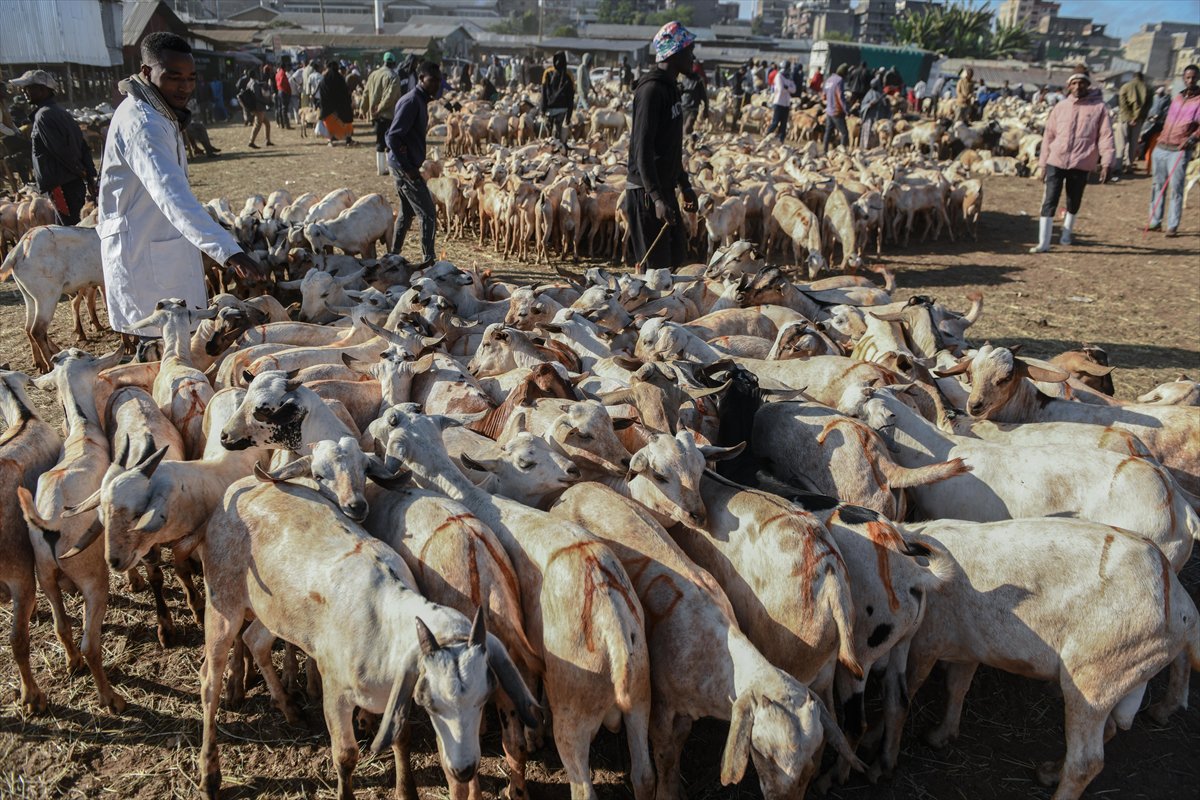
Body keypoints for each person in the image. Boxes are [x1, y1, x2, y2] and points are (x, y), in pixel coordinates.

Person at [96, 32, 262, 337]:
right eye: (174, 77)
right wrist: (229, 252)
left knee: (176, 337)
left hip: (158, 242)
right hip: (143, 252)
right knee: (161, 342)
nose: (184, 86)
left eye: (190, 77)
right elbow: (171, 194)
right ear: (147, 72)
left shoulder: (160, 114)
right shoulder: (143, 125)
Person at [626, 21, 700, 271]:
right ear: (675, 52)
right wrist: (656, 198)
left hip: (664, 189)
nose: (692, 56)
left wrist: (685, 185)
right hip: (647, 193)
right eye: (689, 50)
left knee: (677, 261)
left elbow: (669, 148)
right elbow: (642, 148)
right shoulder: (651, 91)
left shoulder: (671, 90)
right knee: (656, 274)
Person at [1031, 69, 1114, 253]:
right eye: (1074, 83)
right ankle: (1043, 242)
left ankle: (1066, 234)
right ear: (1069, 86)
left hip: (1081, 161)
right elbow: (1048, 136)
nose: (1077, 87)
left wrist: (1107, 162)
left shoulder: (1098, 108)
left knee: (1073, 200)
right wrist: (1043, 164)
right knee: (1049, 199)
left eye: (1081, 83)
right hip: (1056, 159)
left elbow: (1105, 136)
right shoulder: (1060, 107)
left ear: (1088, 85)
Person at [10, 69, 97, 225]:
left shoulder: (43, 116)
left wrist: (82, 172)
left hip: (61, 186)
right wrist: (89, 175)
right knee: (70, 224)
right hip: (71, 183)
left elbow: (61, 151)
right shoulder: (61, 113)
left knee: (69, 229)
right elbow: (83, 146)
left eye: (28, 88)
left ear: (42, 90)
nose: (24, 92)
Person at [386, 61, 441, 267]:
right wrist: (408, 167)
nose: (435, 84)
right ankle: (429, 261)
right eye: (431, 80)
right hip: (404, 168)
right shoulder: (412, 102)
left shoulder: (419, 101)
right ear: (421, 79)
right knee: (428, 213)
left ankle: (393, 255)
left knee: (407, 212)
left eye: (438, 80)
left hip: (403, 165)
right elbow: (393, 136)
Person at [1146, 64, 1200, 237]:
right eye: (1187, 77)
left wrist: (1192, 138)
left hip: (1179, 149)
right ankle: (1155, 221)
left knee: (1176, 188)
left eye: (1193, 77)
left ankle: (1172, 225)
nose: (1190, 80)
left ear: (1197, 78)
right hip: (1162, 146)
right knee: (1157, 186)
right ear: (1183, 79)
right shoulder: (1177, 97)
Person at [363, 52, 402, 175]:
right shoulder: (393, 77)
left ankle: (380, 168)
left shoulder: (373, 74)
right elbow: (390, 96)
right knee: (390, 141)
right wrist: (380, 108)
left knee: (379, 140)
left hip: (375, 115)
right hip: (388, 114)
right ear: (393, 63)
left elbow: (366, 93)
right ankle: (390, 168)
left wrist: (363, 109)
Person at [1118, 71, 1151, 174]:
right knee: (1133, 144)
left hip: (1124, 118)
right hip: (1139, 120)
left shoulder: (1125, 86)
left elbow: (1122, 103)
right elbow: (1148, 106)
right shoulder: (1148, 88)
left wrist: (1129, 116)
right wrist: (1137, 118)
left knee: (1121, 143)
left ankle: (1118, 166)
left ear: (1133, 77)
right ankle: (1129, 166)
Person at [317, 62, 355, 146]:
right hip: (342, 108)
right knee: (346, 123)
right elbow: (345, 93)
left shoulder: (324, 80)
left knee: (330, 125)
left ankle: (330, 140)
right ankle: (348, 139)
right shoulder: (340, 79)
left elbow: (322, 95)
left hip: (328, 109)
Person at [541, 51, 575, 144]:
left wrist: (542, 109)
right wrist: (569, 114)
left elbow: (543, 92)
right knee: (556, 136)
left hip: (550, 109)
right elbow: (571, 96)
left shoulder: (548, 72)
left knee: (549, 137)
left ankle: (550, 154)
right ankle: (556, 155)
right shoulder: (568, 74)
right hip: (562, 110)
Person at [237, 68, 273, 147]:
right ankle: (251, 142)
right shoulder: (255, 84)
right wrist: (266, 102)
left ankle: (267, 140)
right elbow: (257, 97)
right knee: (257, 125)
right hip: (258, 107)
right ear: (255, 75)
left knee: (267, 123)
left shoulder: (249, 83)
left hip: (256, 107)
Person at [765, 63, 795, 142]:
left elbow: (794, 89)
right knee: (775, 122)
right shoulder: (779, 76)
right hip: (778, 102)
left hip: (786, 103)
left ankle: (780, 141)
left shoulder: (789, 77)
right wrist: (788, 89)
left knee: (783, 125)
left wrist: (787, 87)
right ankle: (767, 136)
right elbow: (780, 89)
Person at [823, 63, 850, 152]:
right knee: (844, 133)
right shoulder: (839, 81)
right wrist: (846, 110)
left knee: (828, 132)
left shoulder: (829, 79)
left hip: (829, 110)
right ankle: (842, 153)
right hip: (837, 111)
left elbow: (824, 95)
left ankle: (824, 151)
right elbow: (840, 97)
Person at [680, 61, 708, 137]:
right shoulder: (683, 79)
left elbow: (704, 96)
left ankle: (689, 143)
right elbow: (679, 92)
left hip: (693, 108)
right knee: (681, 128)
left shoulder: (698, 80)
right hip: (683, 107)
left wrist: (706, 110)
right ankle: (686, 145)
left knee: (687, 127)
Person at [859, 77, 887, 150]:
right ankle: (866, 147)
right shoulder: (869, 94)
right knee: (868, 132)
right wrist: (869, 105)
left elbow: (885, 105)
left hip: (878, 117)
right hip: (869, 117)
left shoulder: (881, 94)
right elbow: (863, 104)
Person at [274, 62, 292, 129]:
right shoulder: (282, 73)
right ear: (285, 67)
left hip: (279, 91)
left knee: (280, 108)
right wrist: (286, 90)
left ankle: (282, 124)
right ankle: (287, 125)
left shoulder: (278, 73)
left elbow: (277, 82)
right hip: (283, 91)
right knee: (284, 109)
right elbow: (282, 82)